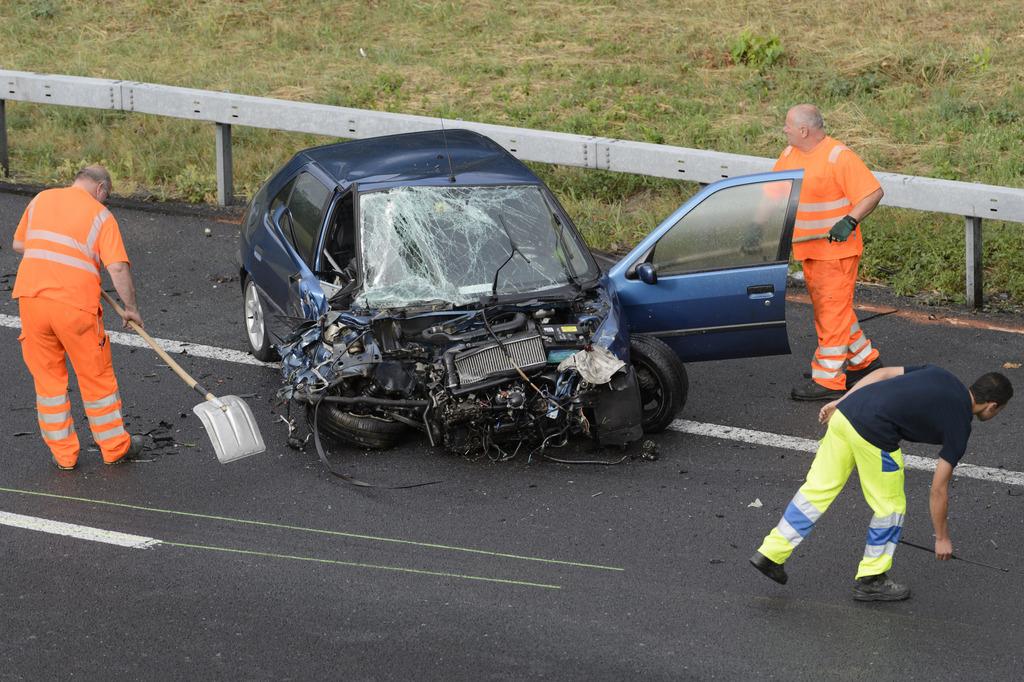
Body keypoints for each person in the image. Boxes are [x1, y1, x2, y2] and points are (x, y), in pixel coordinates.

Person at [750, 364, 1012, 601]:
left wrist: (840, 401)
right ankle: (872, 579)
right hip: (874, 433)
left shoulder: (941, 374)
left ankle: (771, 553)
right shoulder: (960, 425)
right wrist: (942, 538)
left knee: (816, 490)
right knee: (891, 507)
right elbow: (938, 488)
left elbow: (882, 374)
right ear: (992, 405)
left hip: (845, 416)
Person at [12, 165, 146, 470]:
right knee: (95, 377)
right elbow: (117, 269)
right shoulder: (101, 215)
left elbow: (20, 243)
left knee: (48, 382)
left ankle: (64, 455)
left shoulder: (41, 199)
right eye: (106, 197)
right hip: (74, 307)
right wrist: (131, 308)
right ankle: (114, 448)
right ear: (100, 189)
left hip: (31, 301)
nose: (105, 202)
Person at [775, 104, 886, 401]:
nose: (783, 129)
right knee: (834, 309)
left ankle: (829, 380)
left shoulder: (838, 157)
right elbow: (774, 194)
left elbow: (873, 192)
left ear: (804, 130)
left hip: (836, 253)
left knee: (831, 314)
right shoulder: (789, 155)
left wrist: (850, 221)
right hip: (810, 250)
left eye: (787, 125)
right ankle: (865, 362)